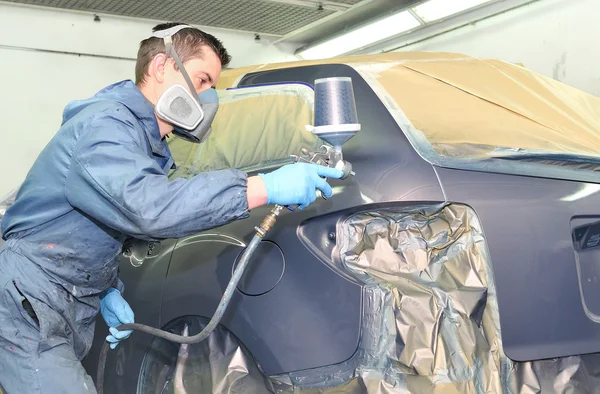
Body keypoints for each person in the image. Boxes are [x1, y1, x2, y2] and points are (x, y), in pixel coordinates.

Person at [0, 22, 343, 394]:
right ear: (161, 67)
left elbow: (95, 224)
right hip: (27, 299)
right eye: (201, 81)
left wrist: (104, 289)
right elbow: (149, 208)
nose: (207, 99)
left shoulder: (144, 143)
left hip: (58, 302)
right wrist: (264, 185)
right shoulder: (107, 125)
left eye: (213, 87)